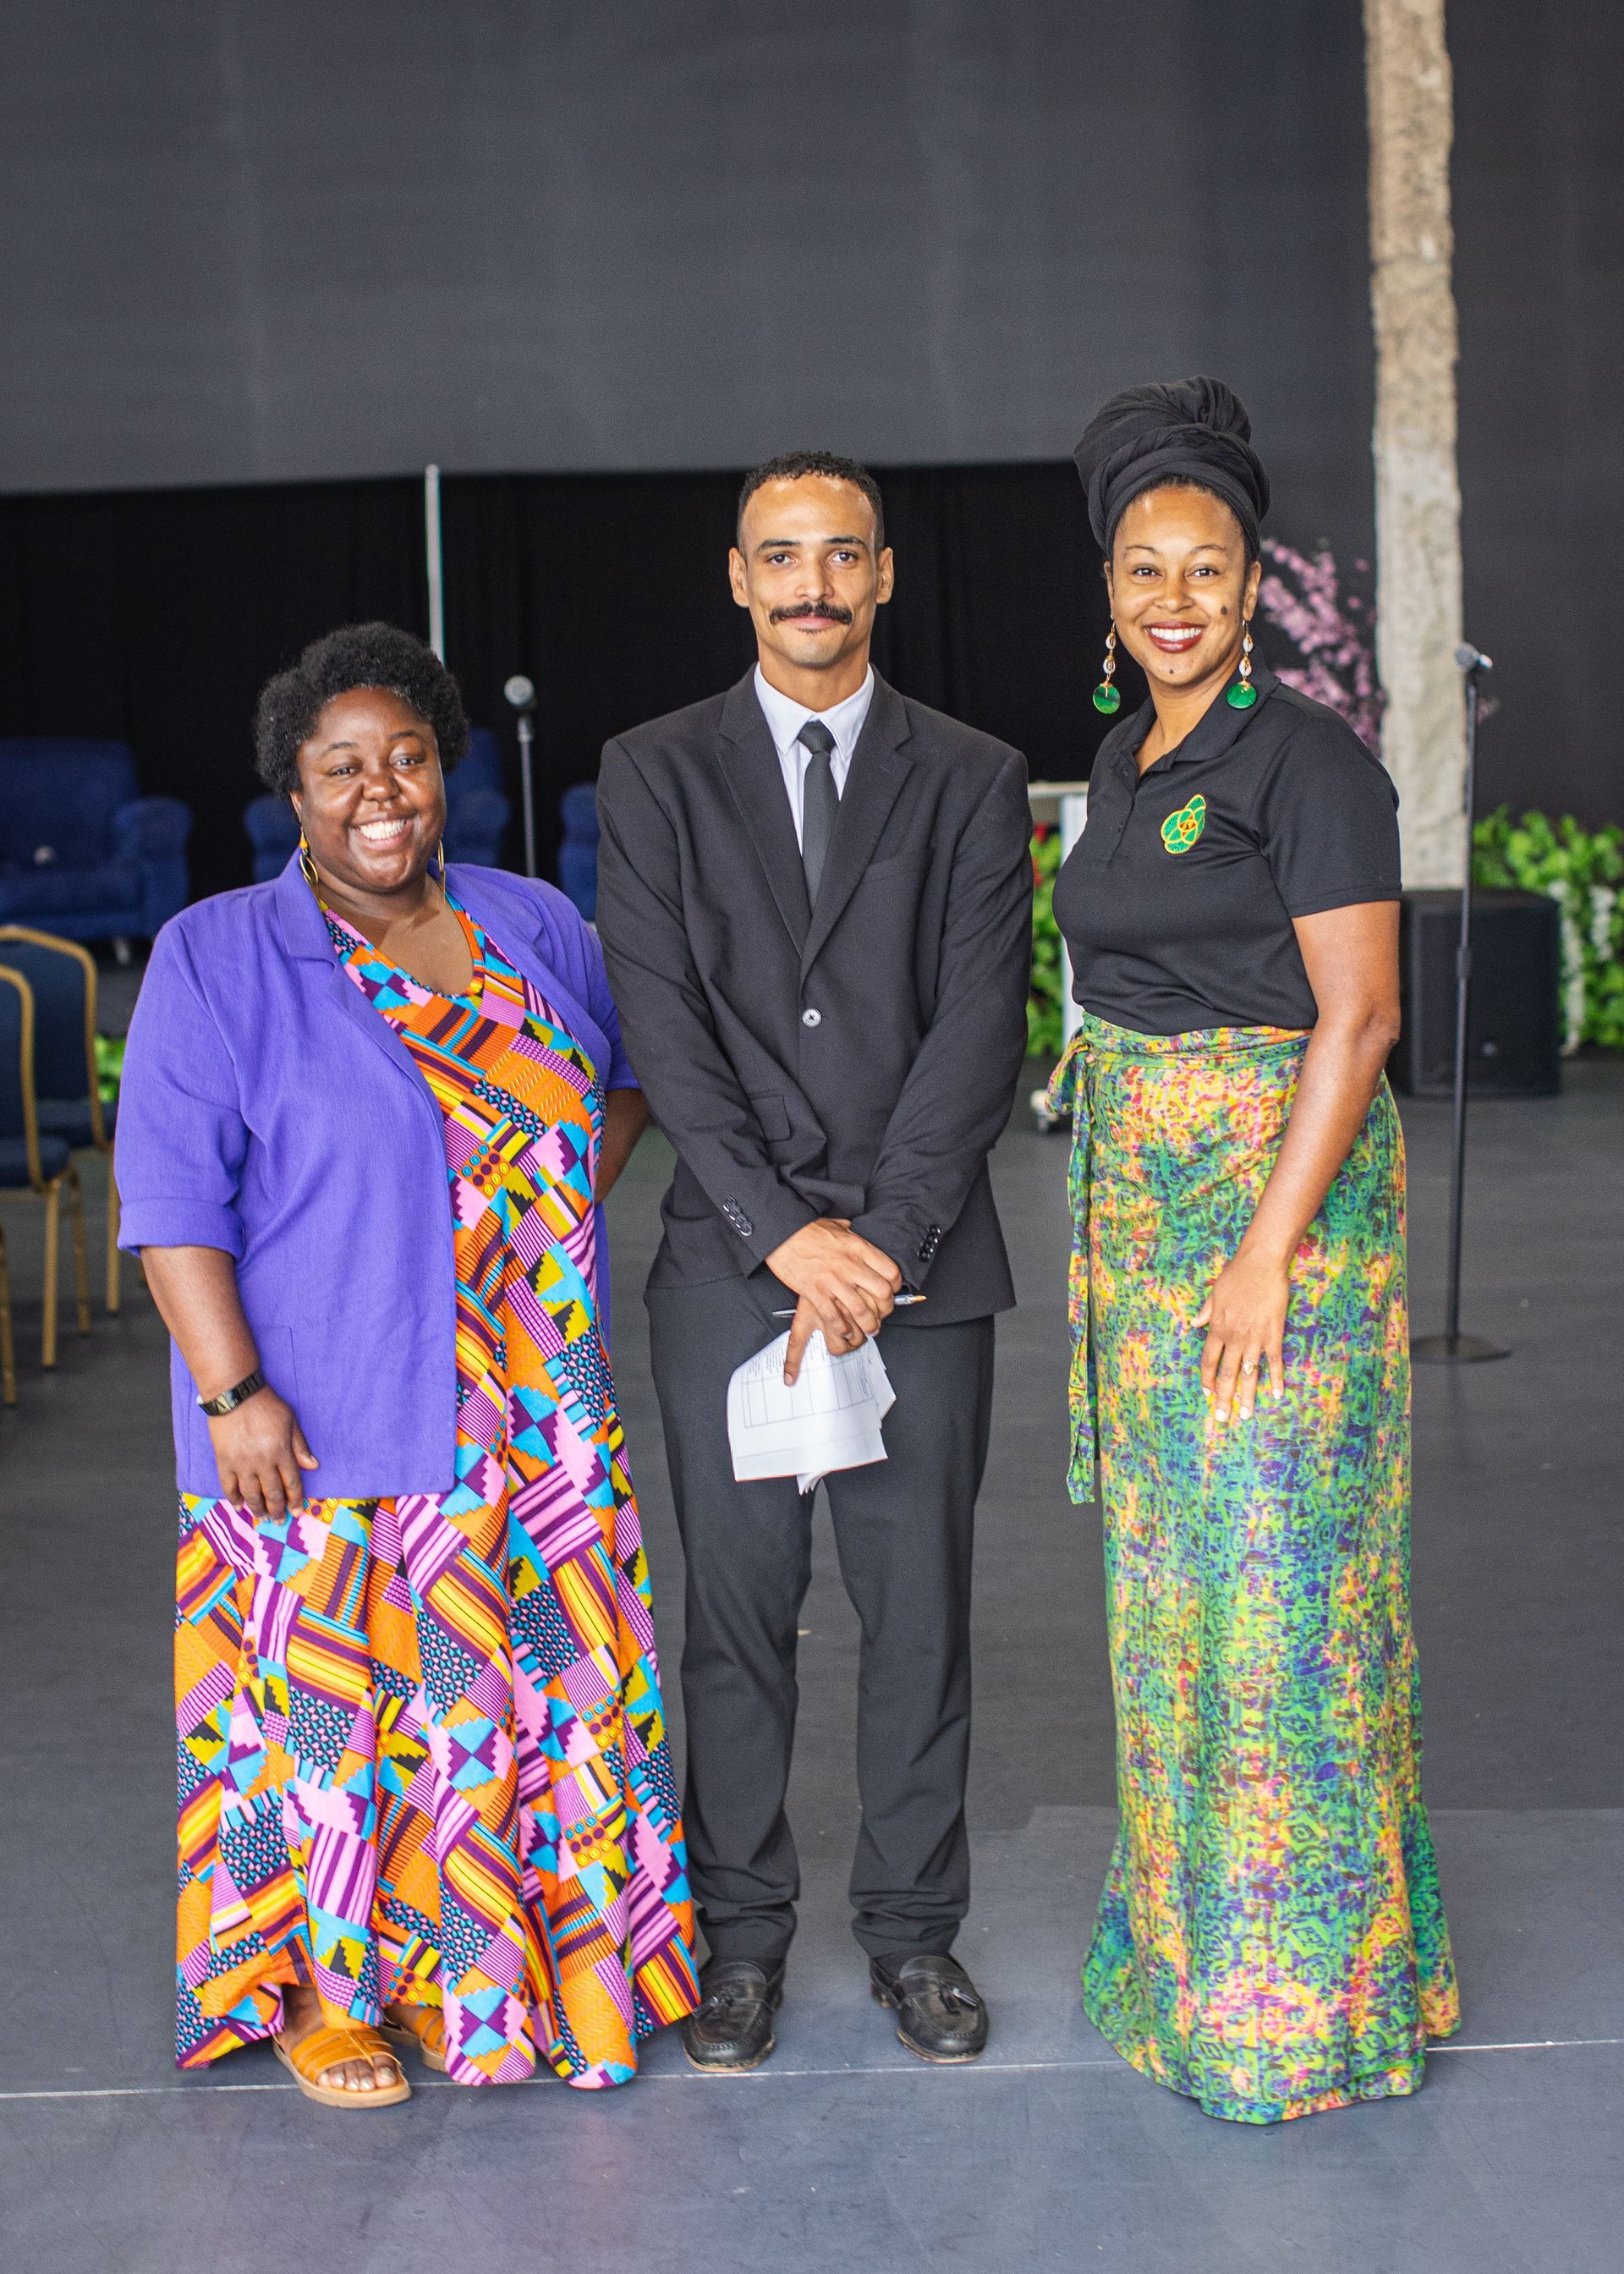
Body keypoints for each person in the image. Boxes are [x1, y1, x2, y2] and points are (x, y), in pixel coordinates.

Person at [118, 623, 697, 2108]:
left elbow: (625, 1080)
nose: (381, 792)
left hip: (536, 1423)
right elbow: (171, 1201)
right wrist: (232, 1393)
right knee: (328, 1725)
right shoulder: (218, 956)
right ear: (293, 791)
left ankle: (477, 1979)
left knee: (520, 1707)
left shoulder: (529, 922)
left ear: (446, 770)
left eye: (409, 758)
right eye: (342, 768)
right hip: (319, 1415)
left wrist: (531, 1227)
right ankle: (322, 1998)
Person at [1049, 378, 1460, 2123]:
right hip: (1144, 1250)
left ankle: (1305, 2007)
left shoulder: (1312, 763)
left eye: (1205, 567)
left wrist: (1264, 1255)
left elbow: (1357, 1024)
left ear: (1252, 583)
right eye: (1144, 567)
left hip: (1275, 1232)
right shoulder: (1125, 764)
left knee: (1287, 1606)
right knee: (1176, 1612)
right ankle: (1187, 1963)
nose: (1174, 597)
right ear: (1110, 586)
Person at [595, 451, 1032, 2070]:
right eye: (782, 557)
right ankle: (738, 1944)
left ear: (884, 575)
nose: (812, 585)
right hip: (729, 1264)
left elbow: (980, 1027)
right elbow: (663, 1025)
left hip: (925, 1271)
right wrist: (785, 1235)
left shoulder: (973, 775)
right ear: (739, 578)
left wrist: (881, 1243)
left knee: (919, 1620)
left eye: (841, 555)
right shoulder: (652, 772)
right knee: (735, 1622)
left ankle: (915, 1939)